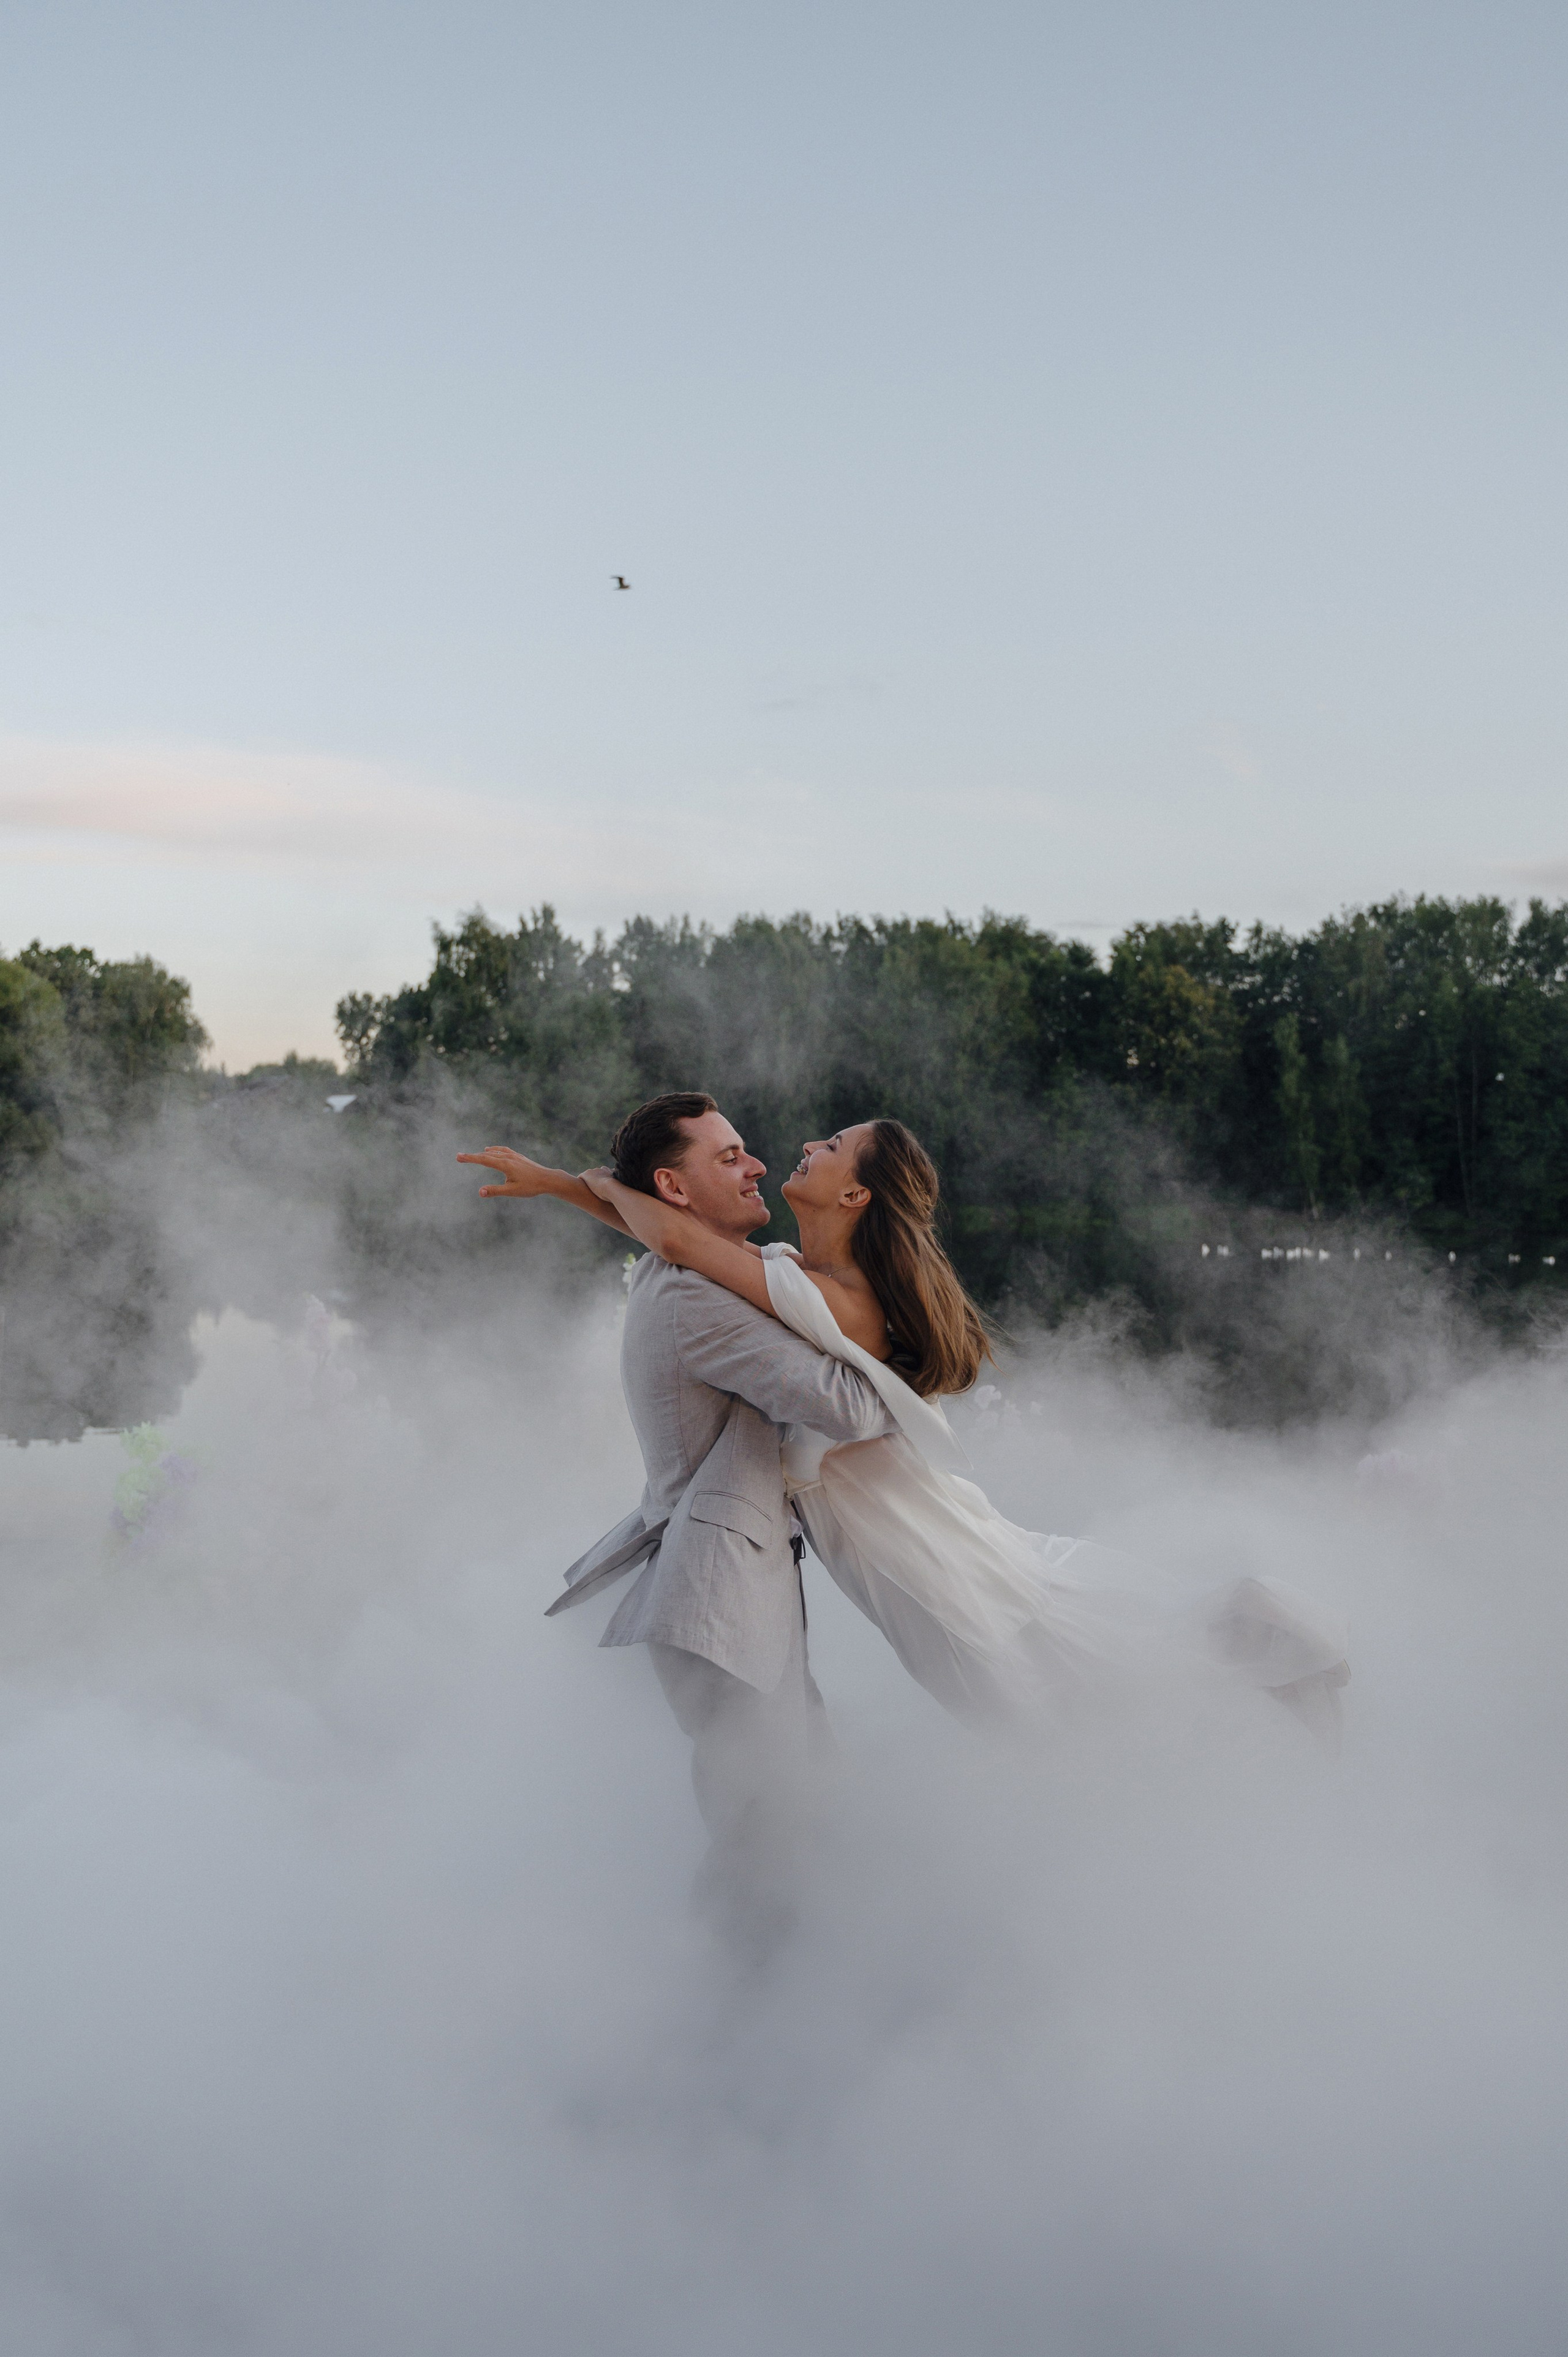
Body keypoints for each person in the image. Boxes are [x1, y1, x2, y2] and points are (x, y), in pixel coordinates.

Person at [462, 1109, 1351, 1743]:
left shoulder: (838, 1303)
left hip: (900, 1536)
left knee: (1034, 1694)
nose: (803, 1148)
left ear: (855, 1197)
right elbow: (675, 1234)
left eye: (834, 1146)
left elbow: (682, 1241)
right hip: (898, 1518)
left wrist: (567, 1183)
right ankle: (1248, 1670)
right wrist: (567, 1188)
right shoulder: (790, 1272)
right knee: (1044, 1666)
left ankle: (1265, 1663)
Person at [461, 1095, 894, 1958]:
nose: (758, 1165)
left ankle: (793, 2012)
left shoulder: (696, 1268)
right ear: (674, 1187)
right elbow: (851, 1406)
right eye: (729, 1156)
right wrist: (892, 1336)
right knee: (763, 1837)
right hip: (722, 1604)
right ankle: (724, 2044)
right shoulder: (698, 1301)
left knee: (801, 1807)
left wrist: (560, 1184)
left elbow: (665, 1233)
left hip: (736, 1592)